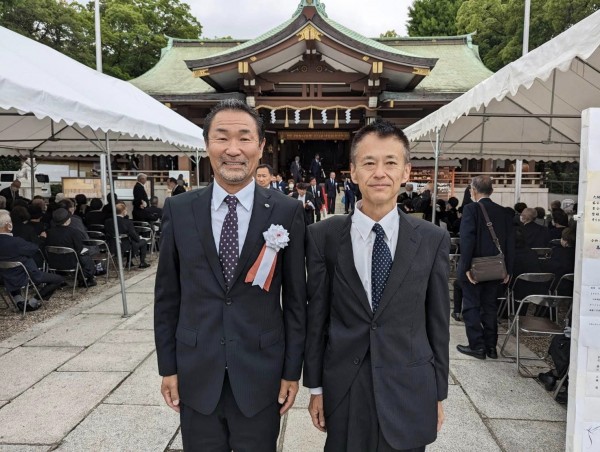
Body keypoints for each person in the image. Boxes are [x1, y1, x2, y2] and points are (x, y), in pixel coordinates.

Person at [154, 99, 307, 451]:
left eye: (244, 138)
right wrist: (168, 367)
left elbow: (298, 301)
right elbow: (167, 296)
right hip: (196, 369)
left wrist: (291, 371)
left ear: (261, 145)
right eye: (222, 138)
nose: (233, 150)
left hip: (261, 371)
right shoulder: (180, 210)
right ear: (207, 144)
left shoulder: (287, 211)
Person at [304, 119, 449, 451]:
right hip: (346, 383)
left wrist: (437, 393)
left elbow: (438, 324)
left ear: (406, 172)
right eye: (369, 163)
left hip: (410, 384)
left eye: (390, 163)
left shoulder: (431, 239)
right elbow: (317, 318)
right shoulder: (323, 236)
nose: (379, 173)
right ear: (353, 172)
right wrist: (316, 388)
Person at [457, 175, 515, 360]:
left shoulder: (471, 209)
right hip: (497, 268)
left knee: (471, 306)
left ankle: (477, 346)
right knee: (490, 306)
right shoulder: (504, 212)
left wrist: (465, 266)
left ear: (473, 190)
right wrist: (509, 269)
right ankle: (491, 347)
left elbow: (467, 240)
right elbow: (510, 243)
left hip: (476, 266)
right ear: (492, 191)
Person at [0, 210, 64, 311]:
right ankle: (33, 302)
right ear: (8, 225)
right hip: (26, 275)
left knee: (10, 273)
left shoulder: (14, 242)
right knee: (58, 279)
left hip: (4, 277)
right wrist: (42, 238)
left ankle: (19, 301)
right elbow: (34, 248)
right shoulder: (16, 242)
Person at [45, 208, 97, 287]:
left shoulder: (49, 232)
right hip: (72, 262)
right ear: (67, 221)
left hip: (53, 262)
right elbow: (79, 249)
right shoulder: (74, 232)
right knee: (85, 254)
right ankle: (86, 278)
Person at [104, 202, 150, 269]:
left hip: (111, 245)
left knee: (130, 241)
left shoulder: (107, 221)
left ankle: (129, 262)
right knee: (143, 242)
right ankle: (142, 262)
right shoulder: (127, 222)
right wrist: (139, 238)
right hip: (124, 246)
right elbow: (133, 235)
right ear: (123, 211)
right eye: (125, 210)